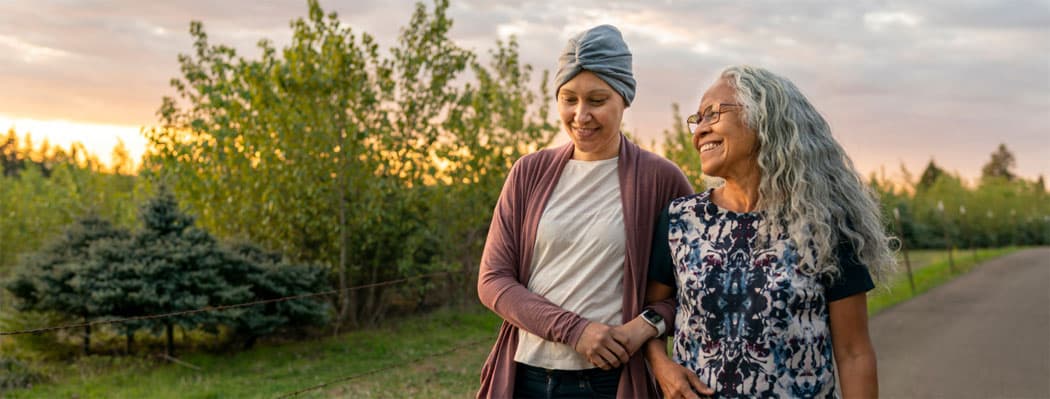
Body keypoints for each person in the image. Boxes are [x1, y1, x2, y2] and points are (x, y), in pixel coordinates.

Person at [644, 65, 895, 398]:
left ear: (764, 118)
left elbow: (854, 353)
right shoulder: (679, 220)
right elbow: (650, 316)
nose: (698, 131)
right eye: (697, 120)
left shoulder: (823, 223)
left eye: (712, 115)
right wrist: (662, 365)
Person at [476, 25, 694, 398]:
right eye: (568, 99)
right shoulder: (529, 172)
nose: (580, 115)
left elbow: (694, 288)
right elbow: (493, 280)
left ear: (624, 99)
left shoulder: (661, 179)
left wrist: (645, 326)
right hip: (525, 376)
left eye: (597, 100)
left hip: (608, 381)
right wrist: (575, 330)